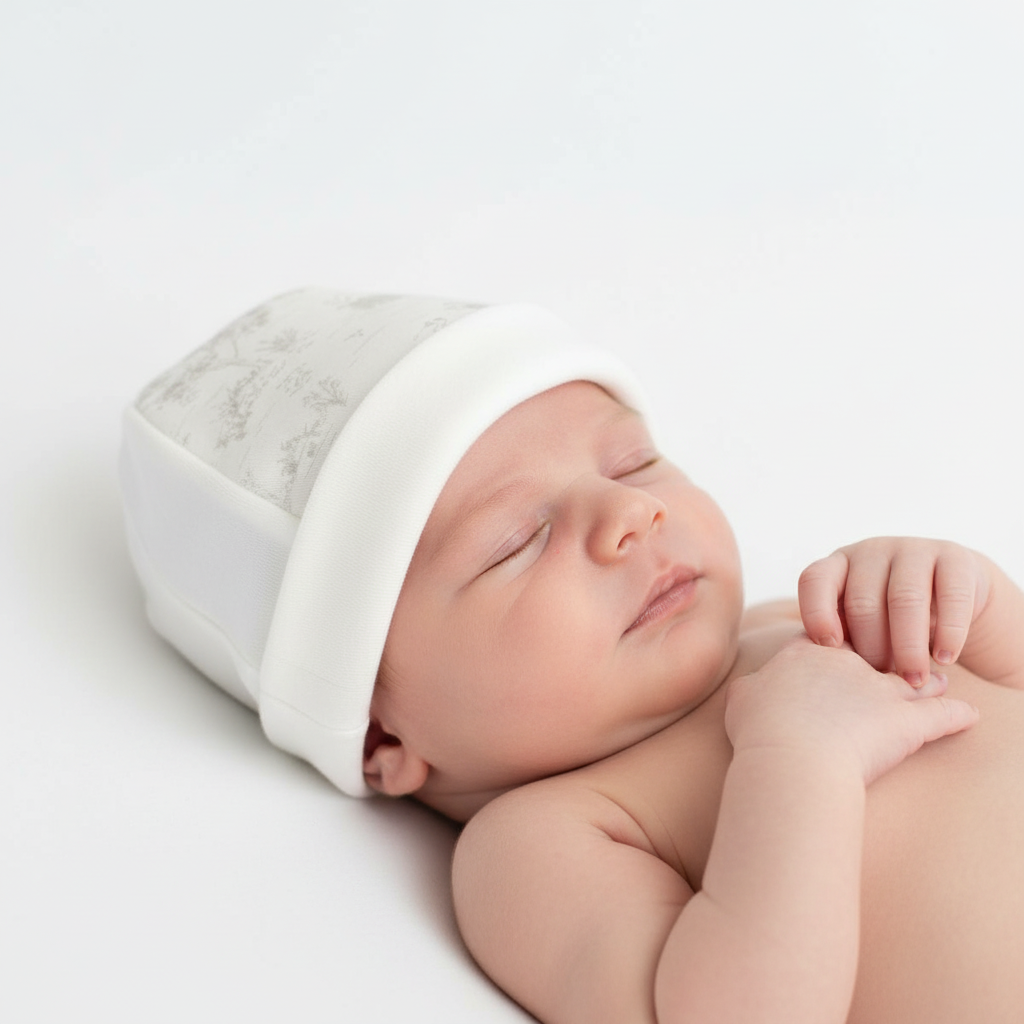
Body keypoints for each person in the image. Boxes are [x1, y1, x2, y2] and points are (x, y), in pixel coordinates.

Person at [122, 288, 1024, 1024]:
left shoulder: (798, 621)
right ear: (380, 736)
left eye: (632, 464)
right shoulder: (543, 840)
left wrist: (971, 604)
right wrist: (801, 765)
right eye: (517, 541)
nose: (631, 513)